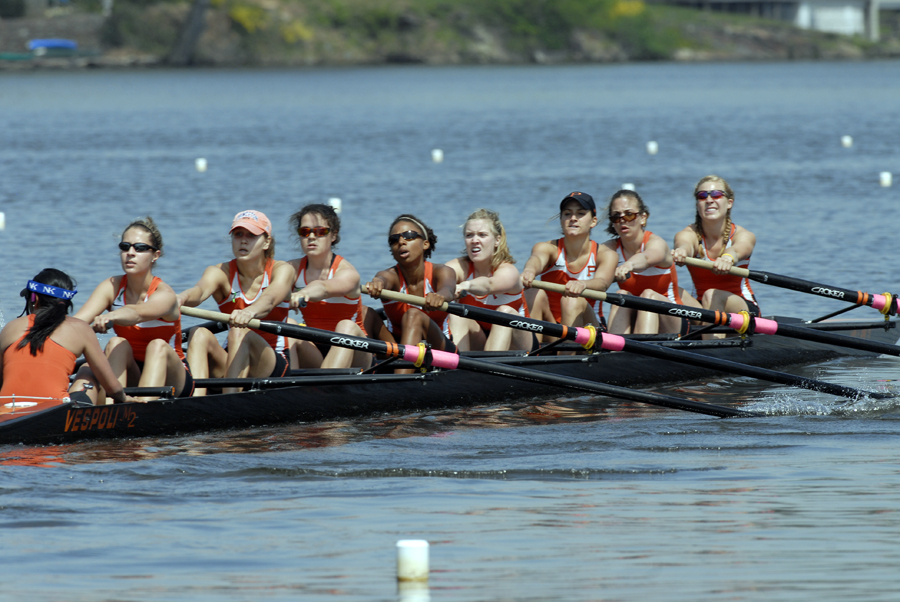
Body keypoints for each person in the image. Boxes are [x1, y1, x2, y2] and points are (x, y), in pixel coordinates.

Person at [72, 217, 193, 402]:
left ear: (155, 255)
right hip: (134, 371)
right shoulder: (111, 286)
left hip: (174, 376)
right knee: (116, 343)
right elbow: (77, 324)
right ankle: (113, 410)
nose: (130, 253)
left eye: (140, 248)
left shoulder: (165, 294)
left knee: (157, 345)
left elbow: (137, 313)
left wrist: (111, 316)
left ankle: (140, 411)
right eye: (125, 246)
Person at [177, 210, 295, 395]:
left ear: (266, 242)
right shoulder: (220, 272)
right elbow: (198, 292)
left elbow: (270, 299)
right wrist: (180, 299)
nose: (243, 240)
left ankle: (228, 400)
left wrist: (250, 311)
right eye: (238, 234)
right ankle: (194, 400)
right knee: (198, 333)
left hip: (270, 362)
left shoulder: (282, 270)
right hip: (232, 360)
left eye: (251, 235)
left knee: (240, 331)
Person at [0, 269, 135, 405]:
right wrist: (123, 398)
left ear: (35, 298)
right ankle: (102, 421)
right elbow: (113, 389)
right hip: (54, 412)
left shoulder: (10, 328)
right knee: (89, 368)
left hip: (7, 409)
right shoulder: (81, 328)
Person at [287, 203, 384, 370]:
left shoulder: (348, 273)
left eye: (320, 231)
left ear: (333, 235)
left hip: (356, 351)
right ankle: (288, 387)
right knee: (289, 324)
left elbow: (323, 287)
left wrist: (301, 293)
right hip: (315, 351)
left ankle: (324, 390)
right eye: (305, 232)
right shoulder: (290, 269)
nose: (311, 236)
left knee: (345, 326)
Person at [601, 190, 701, 335]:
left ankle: (641, 353)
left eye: (629, 214)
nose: (623, 220)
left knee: (648, 295)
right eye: (616, 216)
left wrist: (629, 265)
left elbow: (647, 257)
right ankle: (615, 353)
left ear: (643, 218)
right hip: (635, 316)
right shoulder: (608, 249)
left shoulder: (657, 243)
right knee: (621, 293)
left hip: (673, 317)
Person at [521, 192, 617, 336]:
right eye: (567, 214)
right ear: (561, 220)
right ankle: (534, 350)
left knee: (571, 300)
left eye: (580, 213)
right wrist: (529, 271)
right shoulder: (547, 248)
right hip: (552, 330)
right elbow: (536, 259)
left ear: (593, 221)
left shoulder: (606, 254)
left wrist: (583, 284)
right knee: (532, 292)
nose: (573, 218)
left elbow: (602, 283)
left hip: (590, 330)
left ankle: (566, 355)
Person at [365, 214, 457, 362]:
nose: (401, 241)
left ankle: (400, 378)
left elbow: (448, 290)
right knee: (365, 312)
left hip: (439, 351)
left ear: (425, 244)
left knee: (413, 315)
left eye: (409, 236)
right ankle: (364, 369)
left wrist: (440, 296)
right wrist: (377, 283)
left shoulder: (441, 271)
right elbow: (383, 279)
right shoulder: (390, 275)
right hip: (397, 347)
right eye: (394, 240)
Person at [444, 208, 532, 352]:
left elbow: (489, 284)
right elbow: (438, 278)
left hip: (519, 343)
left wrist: (464, 285)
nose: (474, 240)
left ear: (497, 240)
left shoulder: (509, 272)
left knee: (504, 312)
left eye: (482, 235)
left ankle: (489, 370)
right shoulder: (458, 267)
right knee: (456, 315)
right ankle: (459, 368)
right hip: (480, 338)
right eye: (469, 235)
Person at [672, 175, 760, 316]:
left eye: (716, 194)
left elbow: (737, 249)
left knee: (712, 295)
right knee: (669, 291)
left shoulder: (743, 235)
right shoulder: (688, 233)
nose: (709, 200)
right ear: (697, 205)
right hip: (701, 307)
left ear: (729, 203)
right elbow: (685, 244)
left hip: (741, 308)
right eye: (702, 196)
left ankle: (708, 336)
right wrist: (681, 251)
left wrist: (728, 258)